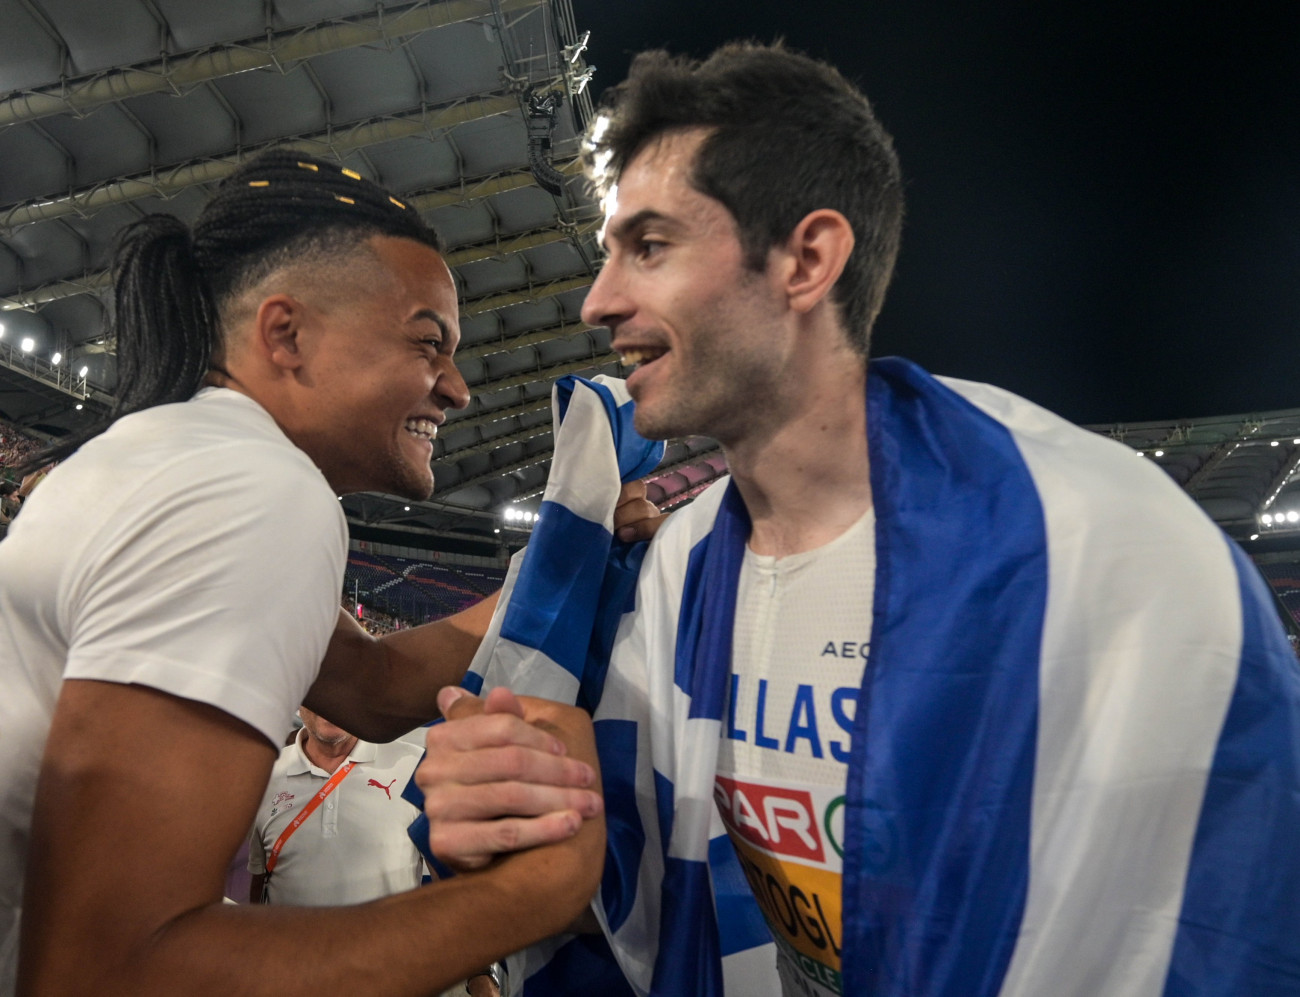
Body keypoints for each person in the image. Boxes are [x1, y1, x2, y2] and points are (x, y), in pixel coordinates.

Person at [417, 42, 1300, 997]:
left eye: (652, 247)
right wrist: (519, 805)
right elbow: (645, 887)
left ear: (807, 259)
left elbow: (1231, 922)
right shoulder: (684, 566)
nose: (599, 301)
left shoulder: (1099, 547)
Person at [0, 149, 626, 996]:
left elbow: (372, 686)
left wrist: (566, 556)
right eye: (429, 342)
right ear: (286, 335)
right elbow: (107, 968)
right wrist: (532, 893)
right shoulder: (254, 489)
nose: (458, 388)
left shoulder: (177, 452)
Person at [247, 707, 427, 906]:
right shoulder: (263, 771)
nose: (330, 704)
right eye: (319, 692)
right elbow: (260, 879)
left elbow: (445, 879)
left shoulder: (416, 766)